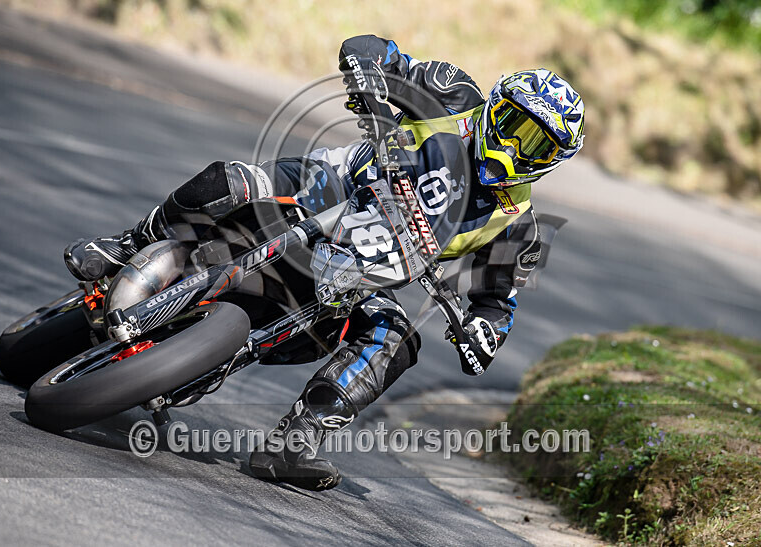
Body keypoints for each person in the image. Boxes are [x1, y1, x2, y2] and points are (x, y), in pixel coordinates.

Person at [64, 35, 585, 491]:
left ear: (552, 160)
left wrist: (482, 331)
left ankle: (295, 440)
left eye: (537, 142)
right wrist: (371, 82)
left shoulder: (518, 225)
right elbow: (372, 49)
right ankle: (127, 245)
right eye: (516, 124)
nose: (517, 145)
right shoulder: (452, 94)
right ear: (498, 105)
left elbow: (498, 302)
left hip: (362, 274)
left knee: (398, 338)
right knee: (229, 180)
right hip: (327, 189)